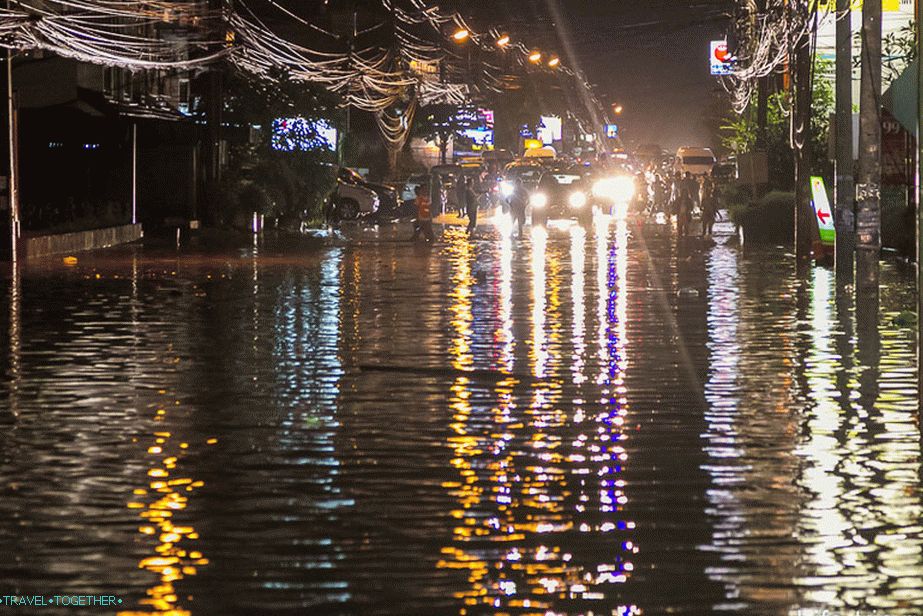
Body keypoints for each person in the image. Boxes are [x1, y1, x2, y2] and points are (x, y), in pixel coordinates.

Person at [700, 172, 717, 237]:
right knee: (706, 228)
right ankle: (707, 240)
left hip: (708, 214)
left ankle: (708, 240)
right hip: (708, 214)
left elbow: (715, 207)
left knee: (708, 229)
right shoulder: (706, 199)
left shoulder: (711, 199)